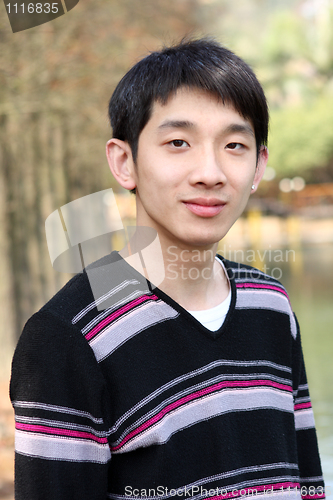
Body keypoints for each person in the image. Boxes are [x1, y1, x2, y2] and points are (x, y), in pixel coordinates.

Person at [10, 38, 325, 500]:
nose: (210, 172)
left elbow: (308, 482)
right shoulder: (69, 335)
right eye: (178, 142)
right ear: (124, 162)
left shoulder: (270, 304)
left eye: (235, 145)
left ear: (259, 167)